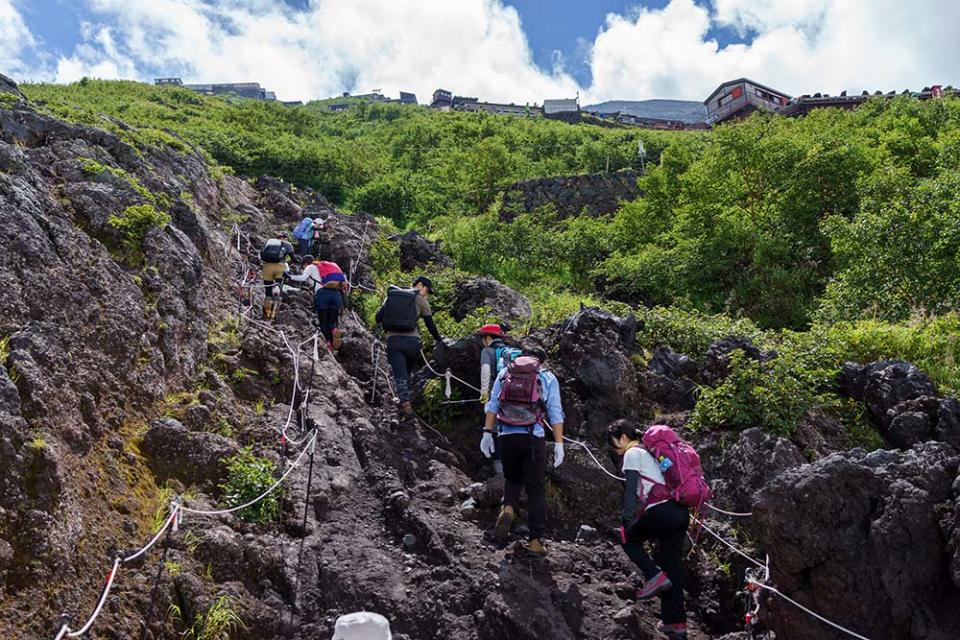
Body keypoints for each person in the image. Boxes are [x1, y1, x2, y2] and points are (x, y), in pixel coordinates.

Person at [608, 420, 689, 639]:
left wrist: (627, 522)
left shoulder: (633, 453)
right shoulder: (651, 452)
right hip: (680, 513)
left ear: (623, 438)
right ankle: (676, 624)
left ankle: (653, 576)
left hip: (661, 511)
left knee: (628, 540)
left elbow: (630, 493)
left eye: (615, 445)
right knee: (672, 567)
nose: (616, 450)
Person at [480, 349, 564, 557]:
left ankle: (508, 507)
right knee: (535, 488)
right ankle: (536, 540)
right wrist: (559, 443)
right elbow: (555, 411)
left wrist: (487, 433)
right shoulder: (546, 377)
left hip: (506, 436)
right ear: (540, 362)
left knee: (512, 478)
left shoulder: (504, 373)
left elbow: (493, 404)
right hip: (533, 436)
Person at [375, 276, 442, 422]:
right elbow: (430, 325)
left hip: (393, 341)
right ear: (419, 285)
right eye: (427, 290)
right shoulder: (420, 299)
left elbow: (378, 318)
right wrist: (439, 340)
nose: (427, 294)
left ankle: (405, 407)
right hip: (413, 342)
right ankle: (408, 401)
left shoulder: (393, 295)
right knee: (408, 373)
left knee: (399, 376)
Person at [476, 323, 521, 476]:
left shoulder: (487, 351)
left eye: (483, 337)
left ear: (488, 337)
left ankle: (500, 472)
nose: (482, 341)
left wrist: (484, 395)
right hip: (518, 398)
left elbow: (486, 372)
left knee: (495, 431)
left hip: (498, 397)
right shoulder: (511, 353)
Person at [288, 255, 347, 349]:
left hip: (322, 295)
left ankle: (328, 344)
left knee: (323, 323)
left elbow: (303, 278)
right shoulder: (328, 268)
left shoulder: (310, 267)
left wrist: (289, 276)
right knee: (331, 322)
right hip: (336, 295)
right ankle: (334, 330)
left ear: (305, 263)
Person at [259, 234, 295, 320]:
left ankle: (266, 314)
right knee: (279, 291)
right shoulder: (287, 244)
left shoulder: (269, 242)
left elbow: (261, 254)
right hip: (280, 268)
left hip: (267, 267)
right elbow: (293, 259)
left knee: (268, 292)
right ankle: (274, 315)